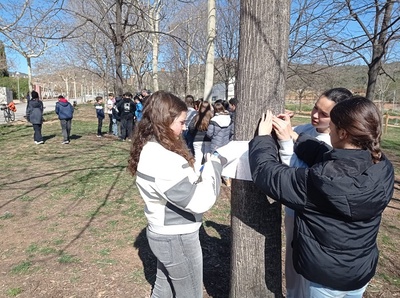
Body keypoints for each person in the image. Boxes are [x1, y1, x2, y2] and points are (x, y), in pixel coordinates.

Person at [249, 96, 394, 298]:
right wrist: (294, 136)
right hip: (359, 273)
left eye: (332, 127)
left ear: (343, 133)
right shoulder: (382, 166)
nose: (330, 131)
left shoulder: (322, 181)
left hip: (326, 281)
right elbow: (331, 156)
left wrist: (263, 138)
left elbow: (267, 173)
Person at [127, 90, 224, 298]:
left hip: (166, 234)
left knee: (165, 289)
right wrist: (216, 163)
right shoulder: (161, 157)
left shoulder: (151, 147)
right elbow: (199, 201)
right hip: (176, 237)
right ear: (165, 121)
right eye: (180, 122)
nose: (184, 127)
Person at [279, 87, 352, 298]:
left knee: (309, 268)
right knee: (293, 264)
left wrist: (286, 140)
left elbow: (296, 176)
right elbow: (297, 133)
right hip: (294, 213)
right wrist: (286, 127)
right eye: (315, 108)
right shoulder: (307, 129)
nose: (315, 115)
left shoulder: (337, 146)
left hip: (315, 218)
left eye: (324, 114)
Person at [207, 101, 234, 186]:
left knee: (215, 162)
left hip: (216, 144)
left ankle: (215, 180)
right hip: (226, 143)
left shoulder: (214, 121)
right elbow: (232, 131)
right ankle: (227, 180)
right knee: (225, 162)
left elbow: (209, 134)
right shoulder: (229, 118)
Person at [188, 100, 213, 174]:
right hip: (207, 139)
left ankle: (196, 173)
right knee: (207, 156)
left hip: (197, 139)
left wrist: (194, 133)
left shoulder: (196, 117)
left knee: (198, 157)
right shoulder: (211, 118)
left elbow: (190, 127)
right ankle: (208, 172)